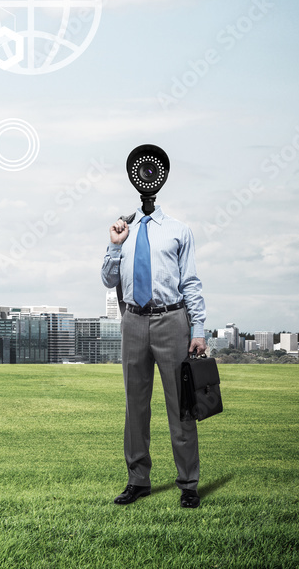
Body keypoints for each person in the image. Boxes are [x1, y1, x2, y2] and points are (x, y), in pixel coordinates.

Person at [101, 205, 207, 508]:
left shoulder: (178, 230)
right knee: (134, 406)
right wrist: (114, 245)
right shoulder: (124, 231)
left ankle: (188, 484)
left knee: (182, 404)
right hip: (133, 321)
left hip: (172, 320)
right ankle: (138, 481)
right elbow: (108, 281)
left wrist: (197, 329)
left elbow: (190, 281)